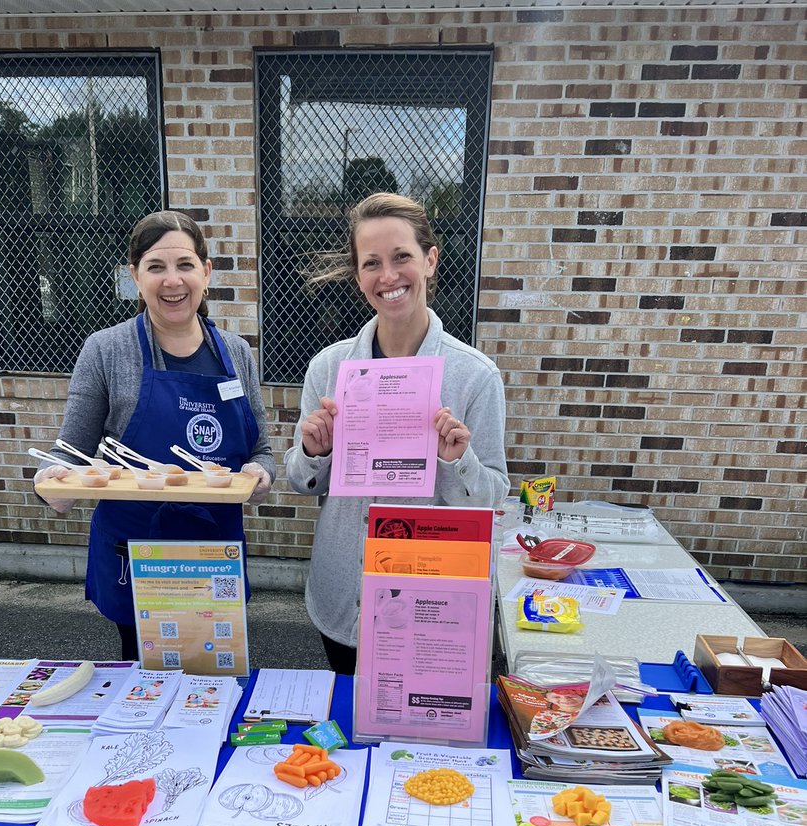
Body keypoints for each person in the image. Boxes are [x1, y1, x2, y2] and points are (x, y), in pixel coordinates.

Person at [284, 192, 509, 674]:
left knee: (417, 729)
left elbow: (492, 498)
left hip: (432, 594)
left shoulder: (474, 375)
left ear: (430, 260)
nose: (388, 277)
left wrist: (455, 460)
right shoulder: (330, 367)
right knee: (348, 728)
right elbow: (301, 481)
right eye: (372, 263)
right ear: (358, 274)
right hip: (344, 587)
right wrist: (313, 451)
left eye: (402, 257)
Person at [34, 211, 275, 659]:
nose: (172, 281)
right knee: (143, 683)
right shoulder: (106, 349)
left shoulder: (236, 353)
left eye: (185, 265)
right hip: (137, 549)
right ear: (134, 275)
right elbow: (68, 452)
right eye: (156, 267)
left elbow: (260, 448)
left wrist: (259, 474)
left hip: (212, 547)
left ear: (206, 271)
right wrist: (52, 481)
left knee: (213, 674)